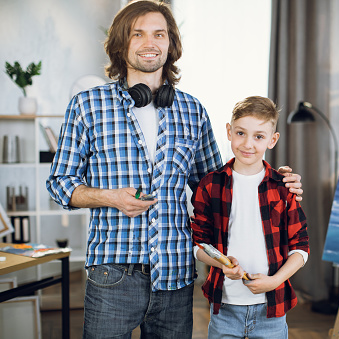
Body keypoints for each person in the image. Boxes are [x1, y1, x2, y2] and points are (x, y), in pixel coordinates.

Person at [46, 1, 302, 338]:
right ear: (122, 44)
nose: (149, 42)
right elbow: (59, 183)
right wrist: (110, 197)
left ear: (171, 44)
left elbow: (217, 186)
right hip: (111, 274)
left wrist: (275, 180)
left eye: (158, 34)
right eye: (138, 34)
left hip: (175, 275)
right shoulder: (87, 105)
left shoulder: (192, 110)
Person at [191, 96, 310, 339]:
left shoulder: (283, 188)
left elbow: (301, 247)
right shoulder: (210, 185)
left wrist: (274, 281)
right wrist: (222, 264)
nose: (248, 144)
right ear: (229, 131)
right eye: (241, 133)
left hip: (272, 309)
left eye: (258, 136)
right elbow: (198, 245)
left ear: (272, 140)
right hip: (224, 308)